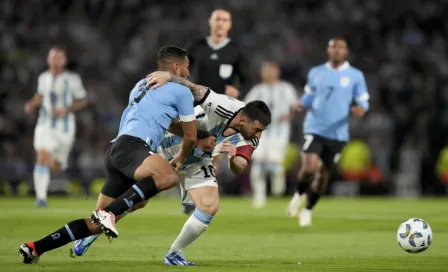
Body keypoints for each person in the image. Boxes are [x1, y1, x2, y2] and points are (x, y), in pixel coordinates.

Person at [18, 45, 198, 264]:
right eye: (187, 66)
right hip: (134, 147)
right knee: (167, 177)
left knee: (102, 220)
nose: (189, 72)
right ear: (177, 67)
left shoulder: (141, 84)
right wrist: (180, 157)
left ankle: (35, 247)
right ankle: (110, 214)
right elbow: (190, 136)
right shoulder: (181, 91)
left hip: (116, 151)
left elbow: (165, 122)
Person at [72, 71, 271, 266]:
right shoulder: (222, 105)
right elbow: (194, 89)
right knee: (139, 203)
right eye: (257, 129)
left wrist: (233, 157)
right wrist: (168, 77)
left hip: (198, 160)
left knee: (210, 205)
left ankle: (174, 254)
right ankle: (93, 230)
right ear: (244, 120)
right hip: (169, 146)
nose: (258, 135)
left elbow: (240, 167)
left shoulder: (250, 137)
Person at [285, 37, 370, 227]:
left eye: (341, 48)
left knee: (323, 174)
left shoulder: (355, 76)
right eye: (333, 47)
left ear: (346, 52)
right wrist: (301, 103)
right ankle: (298, 195)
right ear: (328, 50)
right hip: (314, 127)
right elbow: (310, 95)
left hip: (338, 133)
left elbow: (363, 100)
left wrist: (361, 109)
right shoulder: (317, 72)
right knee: (309, 167)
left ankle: (308, 209)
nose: (337, 51)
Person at [24, 45, 88, 207]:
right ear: (48, 60)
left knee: (56, 165)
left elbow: (82, 100)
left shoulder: (72, 79)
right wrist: (31, 104)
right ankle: (41, 198)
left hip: (65, 129)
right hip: (45, 125)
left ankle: (52, 168)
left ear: (65, 61)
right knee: (42, 155)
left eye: (59, 57)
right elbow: (40, 96)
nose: (56, 60)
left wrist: (67, 109)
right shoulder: (43, 78)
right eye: (53, 57)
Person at [244, 61, 298, 208]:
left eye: (271, 71)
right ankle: (259, 197)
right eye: (266, 71)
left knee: (275, 163)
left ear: (277, 72)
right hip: (260, 133)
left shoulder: (286, 89)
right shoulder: (257, 90)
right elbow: (245, 107)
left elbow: (295, 107)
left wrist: (290, 115)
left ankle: (278, 185)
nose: (268, 74)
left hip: (280, 133)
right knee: (258, 163)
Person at [186, 9, 251, 99]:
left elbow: (247, 81)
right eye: (217, 19)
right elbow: (180, 68)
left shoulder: (236, 50)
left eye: (224, 20)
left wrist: (238, 92)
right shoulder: (197, 46)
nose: (220, 23)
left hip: (222, 104)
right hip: (197, 101)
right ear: (210, 21)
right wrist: (187, 86)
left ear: (229, 25)